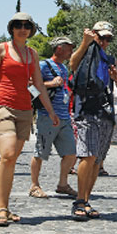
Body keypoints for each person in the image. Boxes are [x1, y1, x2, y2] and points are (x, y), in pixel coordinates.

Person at [0, 12, 59, 226]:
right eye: (18, 25)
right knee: (8, 154)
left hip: (25, 110)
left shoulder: (32, 54)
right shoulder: (1, 49)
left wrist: (51, 111)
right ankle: (0, 208)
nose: (23, 28)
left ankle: (5, 206)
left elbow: (38, 84)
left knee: (10, 160)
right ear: (11, 28)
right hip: (2, 105)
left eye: (27, 25)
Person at [69, 21, 117, 221]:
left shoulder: (110, 59)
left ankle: (86, 199)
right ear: (94, 35)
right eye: (101, 37)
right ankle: (79, 201)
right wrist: (85, 43)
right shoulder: (85, 51)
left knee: (96, 160)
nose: (104, 42)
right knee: (87, 156)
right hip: (86, 109)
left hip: (105, 111)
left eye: (108, 38)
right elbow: (72, 65)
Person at [28, 36, 78, 199]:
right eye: (69, 48)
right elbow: (30, 86)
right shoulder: (43, 65)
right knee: (40, 152)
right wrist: (50, 84)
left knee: (70, 153)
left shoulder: (63, 68)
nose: (71, 51)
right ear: (59, 48)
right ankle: (34, 185)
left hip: (64, 116)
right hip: (46, 116)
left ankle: (62, 184)